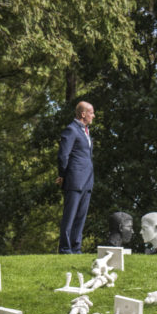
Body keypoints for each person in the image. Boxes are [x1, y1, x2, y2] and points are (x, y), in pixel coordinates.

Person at [57, 101, 95, 254]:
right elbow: (63, 155)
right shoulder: (71, 130)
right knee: (70, 216)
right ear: (83, 114)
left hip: (87, 180)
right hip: (74, 179)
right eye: (91, 112)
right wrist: (62, 175)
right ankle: (65, 249)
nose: (93, 115)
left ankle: (76, 248)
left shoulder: (86, 131)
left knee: (81, 216)